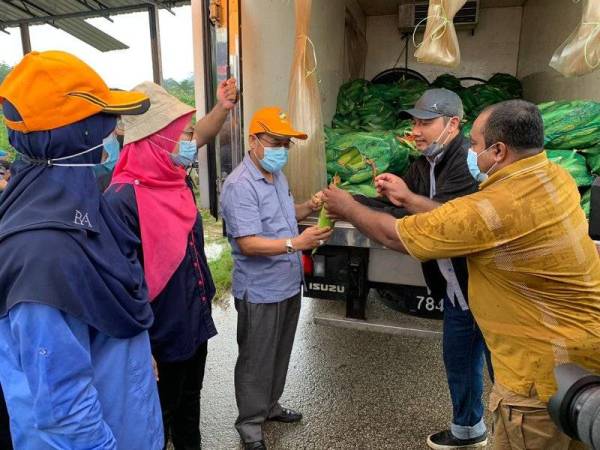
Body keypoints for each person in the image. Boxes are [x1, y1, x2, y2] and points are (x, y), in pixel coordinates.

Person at [323, 99, 600, 450]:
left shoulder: (497, 204)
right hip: (578, 357)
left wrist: (346, 206)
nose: (472, 152)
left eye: (476, 144)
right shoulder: (555, 177)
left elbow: (401, 235)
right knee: (460, 359)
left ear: (498, 151)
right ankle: (467, 427)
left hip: (541, 377)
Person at [0, 50, 163, 449]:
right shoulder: (42, 252)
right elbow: (63, 411)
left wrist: (138, 353)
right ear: (81, 135)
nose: (114, 135)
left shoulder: (84, 209)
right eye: (106, 123)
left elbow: (108, 318)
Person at [104, 78, 237, 450]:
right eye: (183, 134)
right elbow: (120, 285)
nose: (189, 143)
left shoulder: (172, 179)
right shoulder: (122, 199)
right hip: (158, 337)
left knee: (189, 407)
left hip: (191, 324)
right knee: (156, 420)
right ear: (157, 139)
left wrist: (223, 107)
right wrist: (140, 347)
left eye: (189, 134)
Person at [356, 88, 491, 449]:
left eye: (426, 123)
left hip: (486, 288)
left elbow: (451, 223)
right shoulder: (422, 165)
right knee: (459, 359)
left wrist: (406, 197)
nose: (416, 130)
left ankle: (520, 437)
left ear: (453, 125)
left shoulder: (466, 161)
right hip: (454, 288)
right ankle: (468, 430)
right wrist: (358, 202)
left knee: (504, 372)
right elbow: (404, 211)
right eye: (414, 122)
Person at [220, 107, 333, 450]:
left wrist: (310, 204)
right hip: (260, 289)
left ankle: (270, 406)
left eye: (286, 143)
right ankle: (250, 422)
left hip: (286, 283)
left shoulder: (276, 176)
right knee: (256, 358)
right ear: (253, 141)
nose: (281, 149)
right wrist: (295, 243)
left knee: (280, 351)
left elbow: (286, 214)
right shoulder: (240, 185)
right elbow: (248, 242)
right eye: (275, 141)